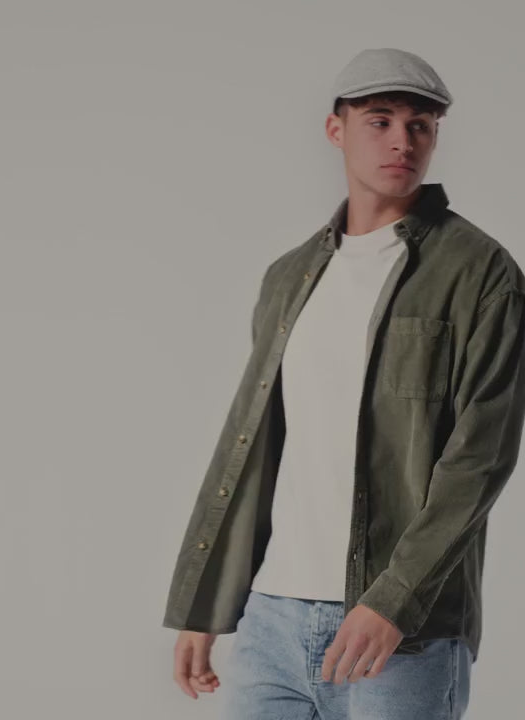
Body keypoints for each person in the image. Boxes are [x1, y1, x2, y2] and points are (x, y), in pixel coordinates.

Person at [162, 48, 525, 719]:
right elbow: (251, 447)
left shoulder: (481, 273)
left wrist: (394, 599)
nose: (402, 141)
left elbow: (479, 459)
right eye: (379, 121)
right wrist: (203, 604)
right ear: (337, 130)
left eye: (420, 125)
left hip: (401, 635)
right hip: (271, 618)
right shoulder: (289, 275)